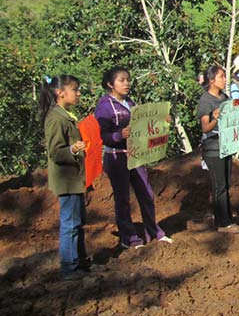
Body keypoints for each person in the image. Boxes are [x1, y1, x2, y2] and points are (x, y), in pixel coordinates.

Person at [94, 66, 172, 249]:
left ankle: (155, 232)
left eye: (128, 79)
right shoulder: (105, 107)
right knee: (122, 198)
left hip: (136, 156)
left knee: (146, 194)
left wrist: (161, 122)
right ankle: (129, 239)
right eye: (121, 80)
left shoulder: (131, 103)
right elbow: (101, 136)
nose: (126, 83)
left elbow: (144, 125)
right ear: (110, 84)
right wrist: (118, 136)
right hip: (117, 157)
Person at [39, 75, 90, 280]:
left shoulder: (66, 115)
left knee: (78, 222)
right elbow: (55, 152)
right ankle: (69, 268)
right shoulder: (56, 118)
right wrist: (73, 149)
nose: (78, 94)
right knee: (70, 223)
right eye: (75, 90)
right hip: (67, 180)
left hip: (74, 179)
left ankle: (81, 263)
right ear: (61, 93)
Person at [197, 65, 239, 233]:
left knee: (226, 183)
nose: (225, 79)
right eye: (221, 76)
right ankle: (223, 223)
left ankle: (225, 217)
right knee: (220, 185)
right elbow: (205, 128)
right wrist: (215, 119)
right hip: (213, 148)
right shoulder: (205, 101)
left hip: (226, 146)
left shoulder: (224, 97)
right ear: (211, 80)